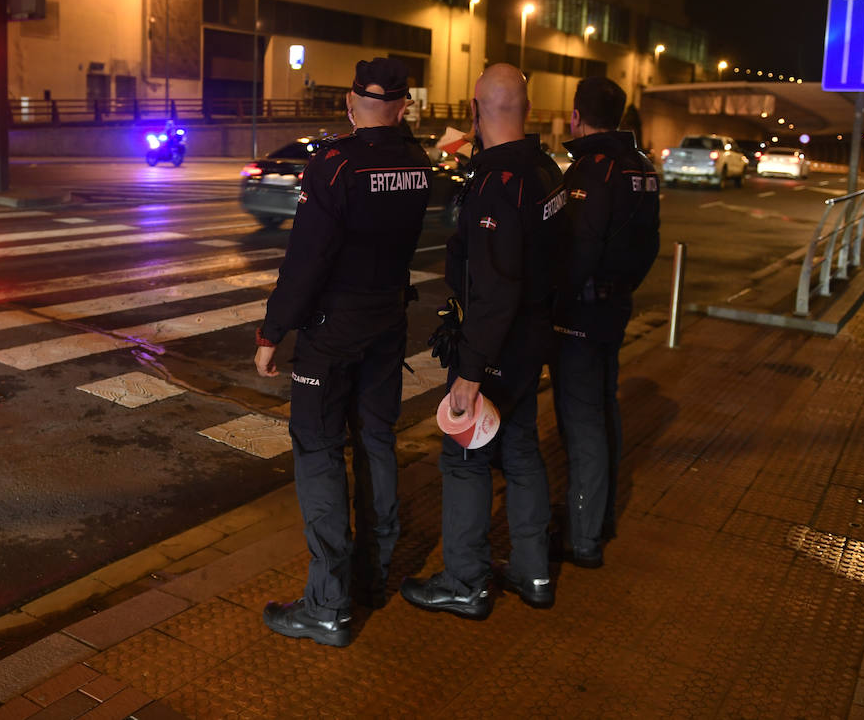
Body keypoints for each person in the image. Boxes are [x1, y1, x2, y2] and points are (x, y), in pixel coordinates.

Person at [254, 56, 431, 647]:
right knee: (377, 440)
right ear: (403, 106)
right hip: (387, 321)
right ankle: (373, 577)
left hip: (333, 331)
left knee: (320, 450)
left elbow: (307, 260)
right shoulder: (417, 161)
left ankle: (327, 605)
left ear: (352, 103)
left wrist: (274, 331)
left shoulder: (334, 165)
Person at [401, 63, 566, 619]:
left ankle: (465, 582)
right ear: (525, 107)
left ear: (475, 112)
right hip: (533, 338)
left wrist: (470, 373)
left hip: (496, 344)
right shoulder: (545, 169)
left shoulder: (498, 183)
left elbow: (495, 288)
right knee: (520, 450)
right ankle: (534, 570)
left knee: (464, 456)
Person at [551, 76, 660, 568]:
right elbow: (650, 244)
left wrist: (557, 300)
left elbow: (577, 252)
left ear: (576, 117)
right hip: (615, 306)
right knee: (603, 408)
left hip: (583, 312)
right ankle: (601, 517)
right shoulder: (641, 168)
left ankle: (583, 535)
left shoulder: (590, 172)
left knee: (582, 422)